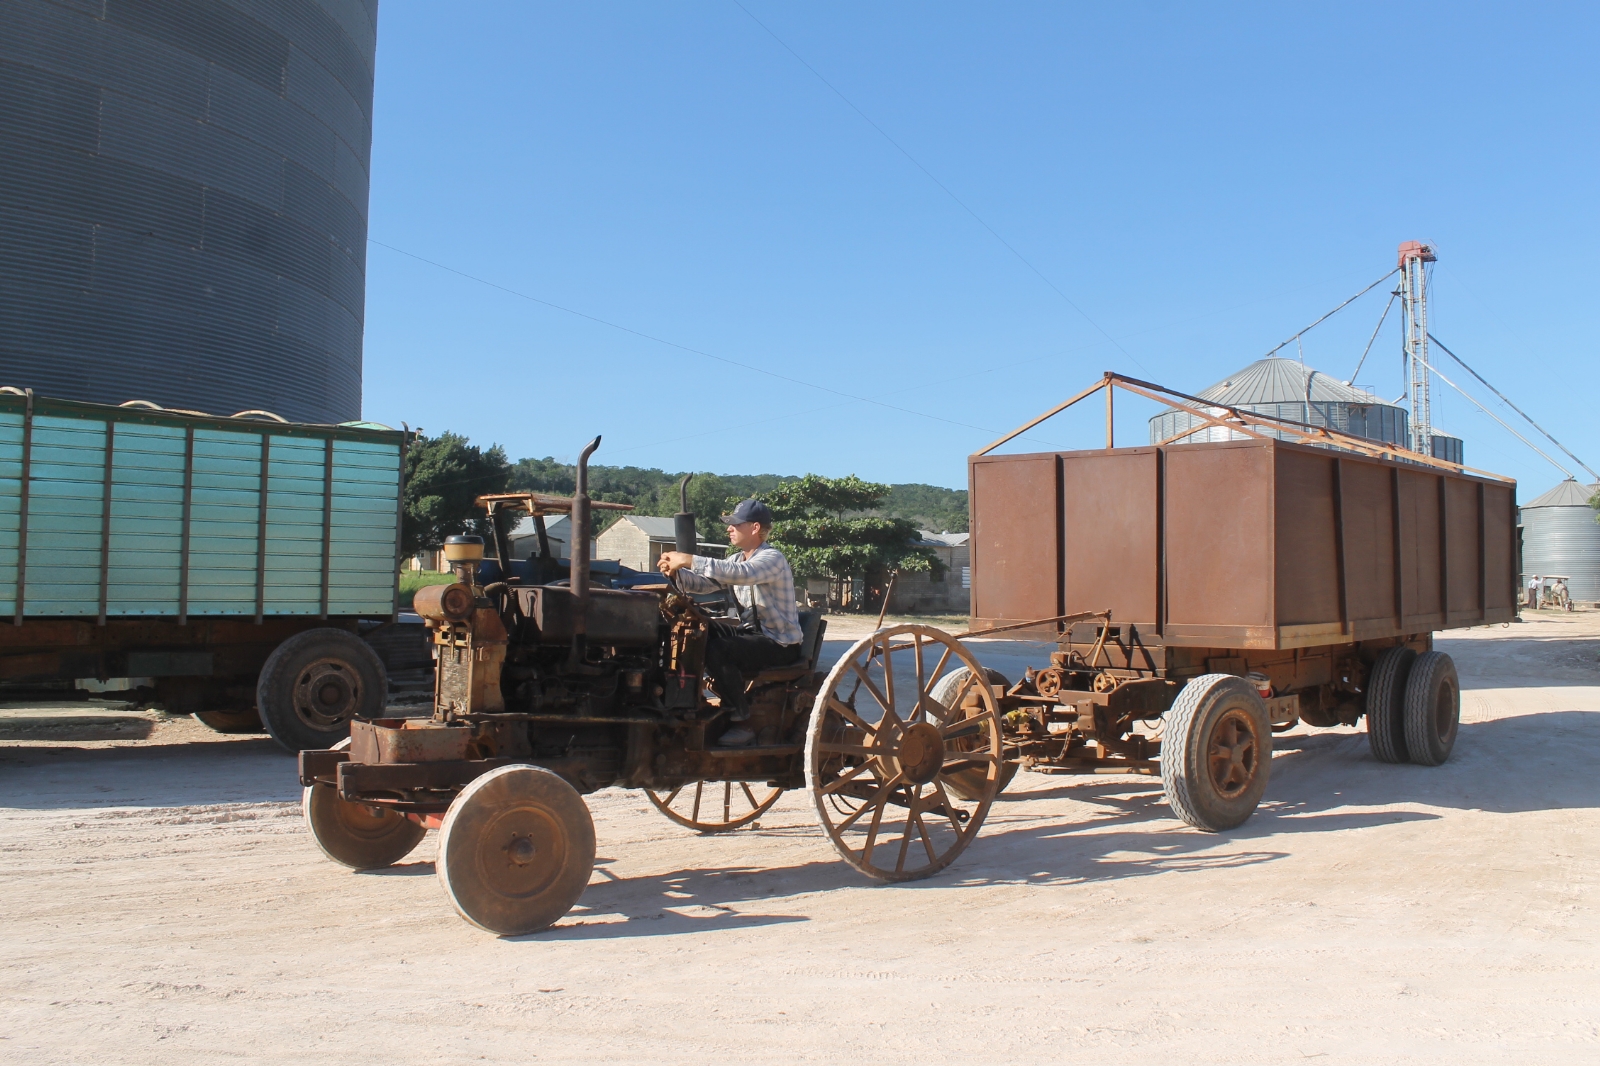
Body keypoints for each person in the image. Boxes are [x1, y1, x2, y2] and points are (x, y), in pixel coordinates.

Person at [657, 499, 803, 747]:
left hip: (779, 643)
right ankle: (684, 697)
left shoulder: (772, 558)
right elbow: (703, 584)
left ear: (755, 528)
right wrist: (676, 572)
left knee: (719, 650)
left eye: (735, 524)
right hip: (751, 635)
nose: (729, 528)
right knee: (696, 629)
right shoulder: (736, 559)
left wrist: (689, 559)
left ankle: (741, 719)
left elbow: (743, 575)